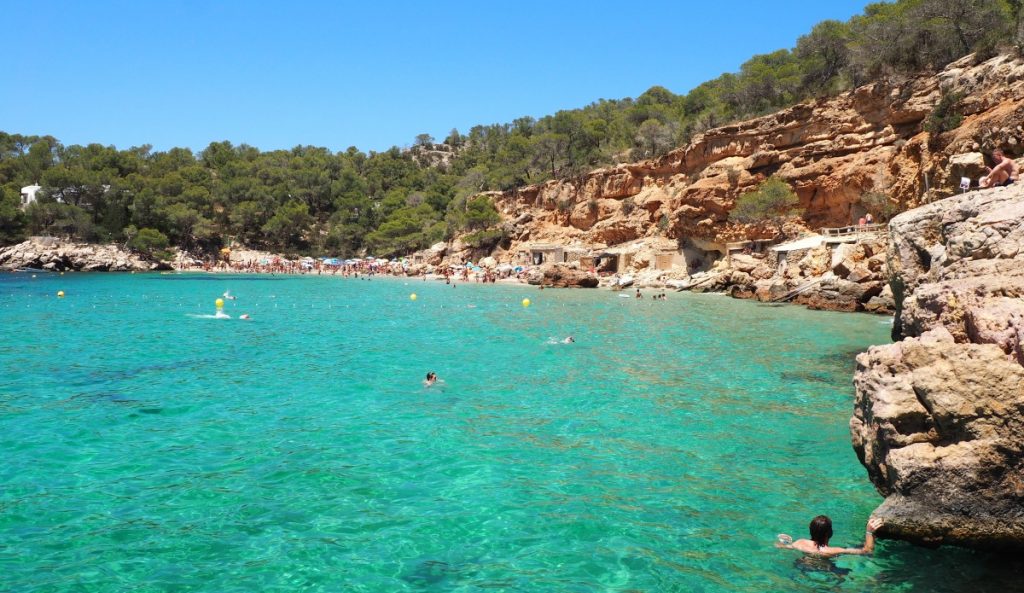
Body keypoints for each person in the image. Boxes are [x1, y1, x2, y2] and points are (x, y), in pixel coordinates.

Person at [776, 516, 883, 557]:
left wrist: (786, 543)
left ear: (810, 529)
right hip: (825, 569)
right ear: (830, 533)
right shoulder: (833, 551)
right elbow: (867, 551)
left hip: (800, 567)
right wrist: (869, 532)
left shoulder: (799, 543)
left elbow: (778, 545)